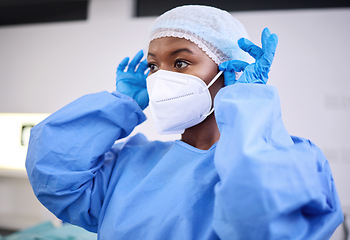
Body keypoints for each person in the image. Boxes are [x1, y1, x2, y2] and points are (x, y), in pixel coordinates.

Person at [26, 5, 343, 240]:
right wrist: (120, 105)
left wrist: (248, 104)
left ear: (230, 70)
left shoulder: (291, 162)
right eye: (153, 66)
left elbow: (260, 221)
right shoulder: (129, 165)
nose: (161, 78)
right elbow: (52, 172)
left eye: (180, 62)